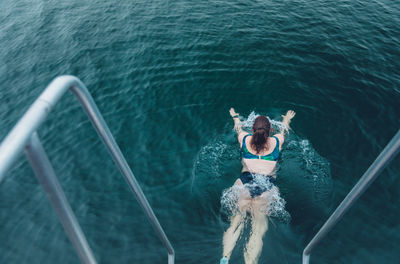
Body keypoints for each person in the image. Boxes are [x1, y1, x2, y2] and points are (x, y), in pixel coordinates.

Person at [220, 108, 296, 264]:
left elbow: (238, 127)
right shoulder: (276, 141)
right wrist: (287, 118)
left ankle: (225, 258)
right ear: (269, 132)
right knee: (257, 231)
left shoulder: (245, 139)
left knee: (235, 224)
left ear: (253, 130)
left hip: (245, 184)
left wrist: (235, 115)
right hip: (266, 186)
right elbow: (284, 130)